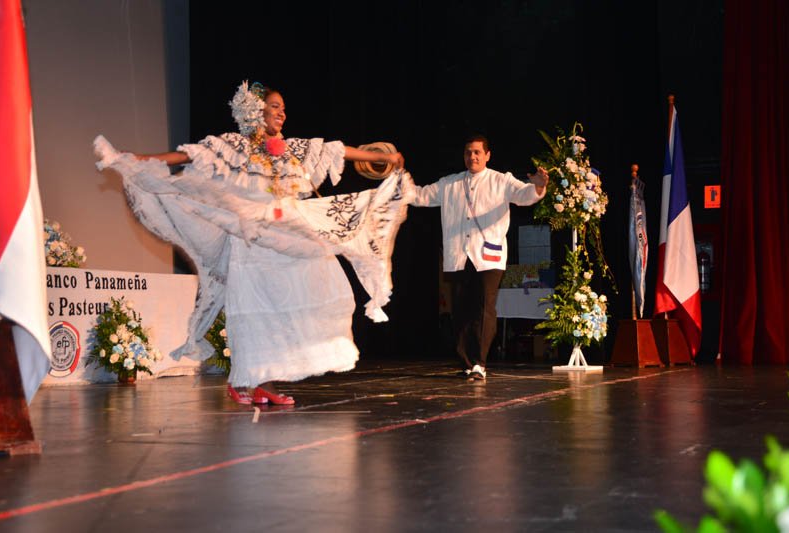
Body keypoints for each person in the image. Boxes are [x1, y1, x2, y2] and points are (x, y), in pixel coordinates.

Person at [94, 81, 410, 405]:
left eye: (283, 108)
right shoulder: (235, 147)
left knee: (312, 286)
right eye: (275, 107)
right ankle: (247, 381)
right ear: (256, 112)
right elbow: (189, 155)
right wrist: (138, 159)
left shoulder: (292, 149)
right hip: (251, 239)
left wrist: (379, 156)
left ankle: (264, 383)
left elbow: (338, 150)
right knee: (257, 311)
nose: (282, 113)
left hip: (286, 231)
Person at [410, 135, 548, 381]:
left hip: (488, 257)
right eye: (468, 152)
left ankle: (479, 363)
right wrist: (396, 182)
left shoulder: (500, 180)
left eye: (477, 152)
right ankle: (466, 361)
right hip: (458, 256)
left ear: (487, 155)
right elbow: (420, 196)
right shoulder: (449, 183)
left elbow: (524, 195)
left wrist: (537, 186)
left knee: (484, 309)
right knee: (461, 311)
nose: (472, 156)